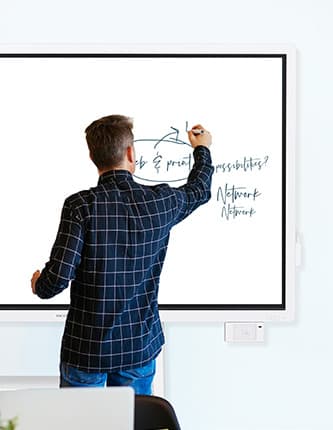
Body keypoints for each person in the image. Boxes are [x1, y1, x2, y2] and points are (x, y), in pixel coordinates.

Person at [31, 115, 213, 394]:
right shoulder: (161, 202)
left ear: (92, 156)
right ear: (131, 153)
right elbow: (199, 190)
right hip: (138, 346)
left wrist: (38, 282)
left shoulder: (80, 206)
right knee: (135, 422)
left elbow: (54, 281)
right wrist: (202, 149)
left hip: (86, 349)